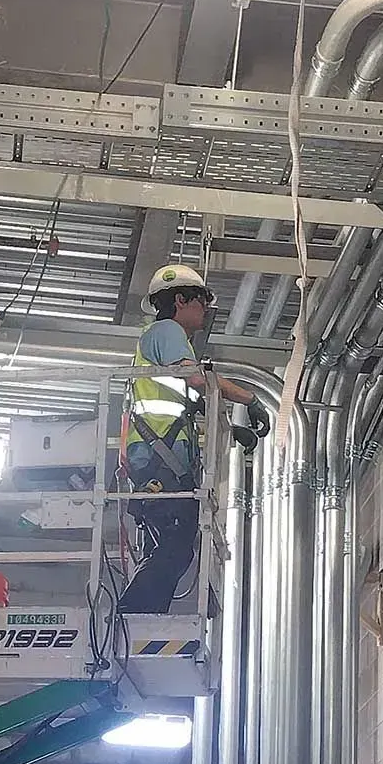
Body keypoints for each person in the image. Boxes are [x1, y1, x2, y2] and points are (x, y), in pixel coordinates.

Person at [119, 262, 268, 614]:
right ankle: (136, 611)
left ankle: (143, 609)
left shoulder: (165, 344)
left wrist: (232, 429)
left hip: (162, 454)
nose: (205, 308)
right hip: (159, 456)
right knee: (177, 538)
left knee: (180, 538)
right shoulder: (167, 331)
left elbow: (193, 398)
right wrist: (250, 398)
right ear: (181, 299)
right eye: (201, 300)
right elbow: (199, 381)